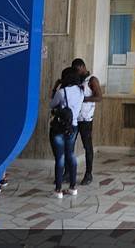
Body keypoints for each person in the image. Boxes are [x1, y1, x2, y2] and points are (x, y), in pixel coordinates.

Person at [49, 67, 84, 198]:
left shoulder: (62, 92)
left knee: (60, 158)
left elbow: (52, 105)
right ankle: (73, 187)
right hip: (73, 127)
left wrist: (55, 88)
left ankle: (58, 190)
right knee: (71, 154)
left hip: (59, 128)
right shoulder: (81, 91)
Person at [71, 58, 103, 185]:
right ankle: (68, 172)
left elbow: (99, 97)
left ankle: (88, 173)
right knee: (70, 146)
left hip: (86, 119)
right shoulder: (76, 80)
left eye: (78, 70)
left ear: (83, 67)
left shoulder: (92, 80)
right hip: (74, 118)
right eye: (75, 71)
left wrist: (83, 99)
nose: (77, 73)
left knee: (87, 147)